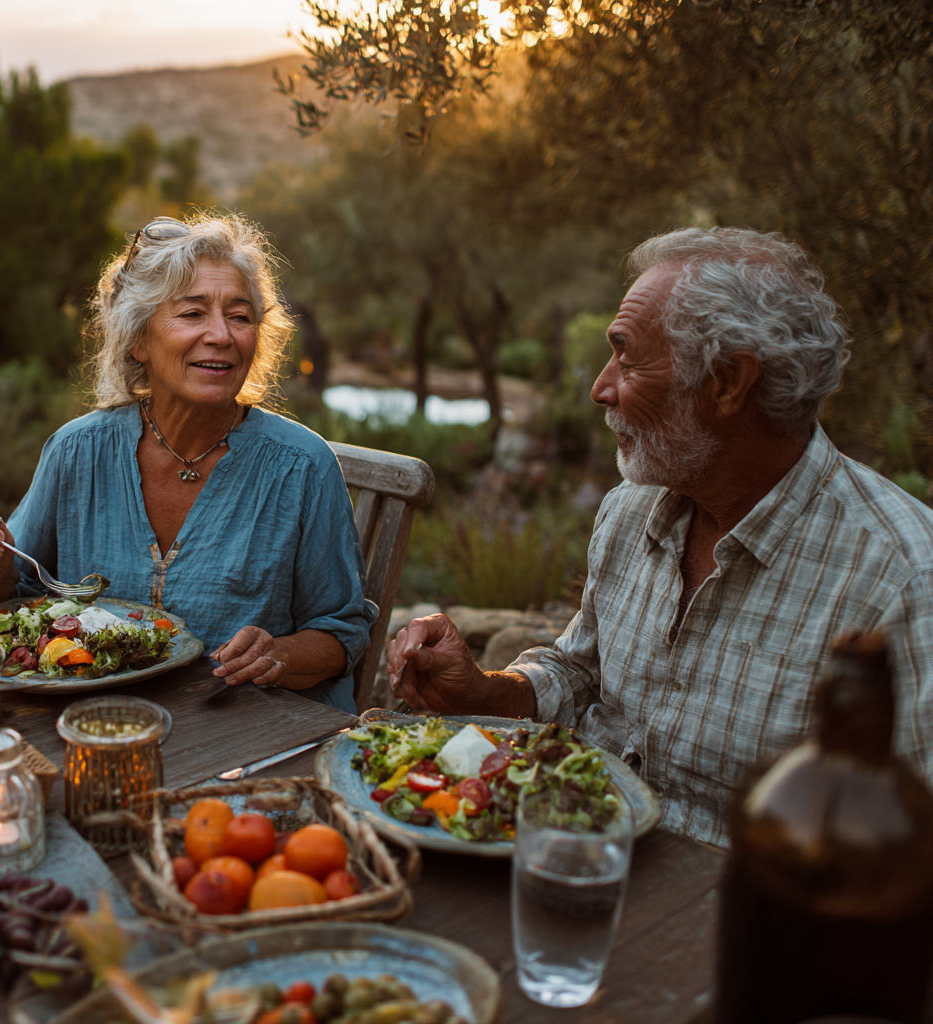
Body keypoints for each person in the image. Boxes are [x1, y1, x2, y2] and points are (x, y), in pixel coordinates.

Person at [387, 227, 933, 846]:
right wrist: (486, 691)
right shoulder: (630, 510)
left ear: (729, 381)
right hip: (572, 863)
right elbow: (580, 672)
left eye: (627, 356)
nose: (601, 388)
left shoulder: (903, 580)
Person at [0, 213, 376, 715]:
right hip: (93, 721)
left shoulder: (303, 467)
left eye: (240, 316)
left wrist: (282, 654)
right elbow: (19, 592)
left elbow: (342, 632)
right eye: (192, 313)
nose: (222, 335)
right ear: (138, 338)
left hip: (244, 734)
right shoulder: (77, 451)